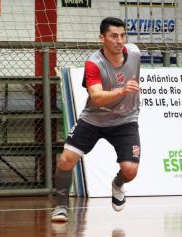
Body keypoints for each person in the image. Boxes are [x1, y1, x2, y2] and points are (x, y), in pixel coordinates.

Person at [51, 17, 141, 222]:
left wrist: (127, 93)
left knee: (130, 170)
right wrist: (122, 90)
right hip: (94, 119)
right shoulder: (94, 63)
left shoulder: (134, 53)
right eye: (113, 36)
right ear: (102, 38)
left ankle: (117, 184)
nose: (119, 40)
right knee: (66, 159)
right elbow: (97, 96)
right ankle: (61, 207)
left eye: (122, 35)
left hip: (126, 119)